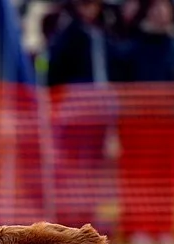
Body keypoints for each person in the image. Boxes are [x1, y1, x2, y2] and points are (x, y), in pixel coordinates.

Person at [116, 0, 174, 244]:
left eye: (165, 8)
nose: (161, 13)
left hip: (168, 124)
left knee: (165, 177)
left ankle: (164, 228)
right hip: (137, 125)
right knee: (139, 176)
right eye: (156, 8)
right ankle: (139, 228)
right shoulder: (131, 47)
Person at [46, 0, 121, 228]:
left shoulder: (105, 34)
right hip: (75, 111)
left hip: (101, 111)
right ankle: (72, 215)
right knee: (74, 165)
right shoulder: (67, 33)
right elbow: (54, 70)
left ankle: (89, 214)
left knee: (94, 166)